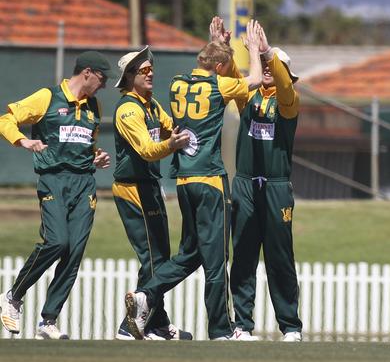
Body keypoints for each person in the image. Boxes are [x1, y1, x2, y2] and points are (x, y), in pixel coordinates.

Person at [124, 17, 263, 341]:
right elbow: (253, 78)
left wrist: (218, 43)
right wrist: (253, 50)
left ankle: (146, 294)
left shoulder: (175, 83)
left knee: (191, 253)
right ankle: (220, 330)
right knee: (216, 262)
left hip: (183, 181)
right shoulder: (219, 85)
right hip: (211, 181)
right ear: (220, 64)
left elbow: (214, 62)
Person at [0, 51, 113, 339]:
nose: (103, 85)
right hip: (53, 180)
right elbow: (6, 119)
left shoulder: (94, 106)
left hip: (84, 183)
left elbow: (86, 144)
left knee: (74, 251)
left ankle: (48, 321)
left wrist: (95, 159)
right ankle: (13, 296)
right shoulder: (47, 97)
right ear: (87, 73)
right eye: (101, 79)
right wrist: (24, 141)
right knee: (57, 241)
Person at [111, 46, 193, 340]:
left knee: (160, 256)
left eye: (151, 68)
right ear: (129, 76)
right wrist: (171, 145)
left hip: (149, 186)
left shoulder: (153, 106)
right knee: (153, 258)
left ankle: (157, 323)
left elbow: (174, 127)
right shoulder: (129, 109)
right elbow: (147, 151)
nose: (150, 73)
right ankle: (129, 326)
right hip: (133, 188)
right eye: (143, 70)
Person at [228, 28, 303, 342]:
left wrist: (267, 51)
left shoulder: (289, 102)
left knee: (280, 257)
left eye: (275, 66)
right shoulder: (250, 98)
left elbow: (284, 88)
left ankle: (290, 326)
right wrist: (229, 50)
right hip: (245, 185)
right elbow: (235, 82)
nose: (269, 70)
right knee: (243, 255)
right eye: (265, 65)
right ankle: (242, 325)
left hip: (275, 187)